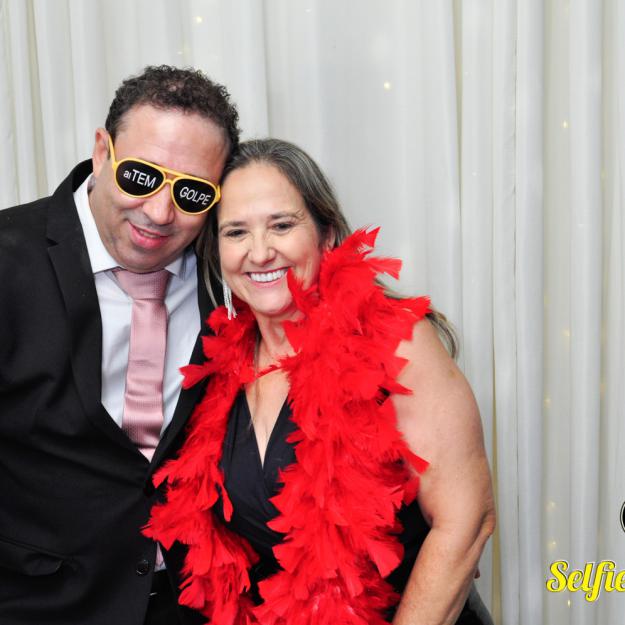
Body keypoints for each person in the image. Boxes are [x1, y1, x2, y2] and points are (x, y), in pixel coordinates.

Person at [146, 138, 496, 624]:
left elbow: (467, 520)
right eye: (236, 232)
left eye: (282, 225)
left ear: (326, 234)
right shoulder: (217, 367)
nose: (260, 252)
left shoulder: (398, 342)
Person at [0, 65, 239, 625]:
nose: (159, 213)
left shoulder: (232, 271)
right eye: (140, 177)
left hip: (187, 606)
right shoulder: (9, 259)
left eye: (192, 192)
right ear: (101, 152)